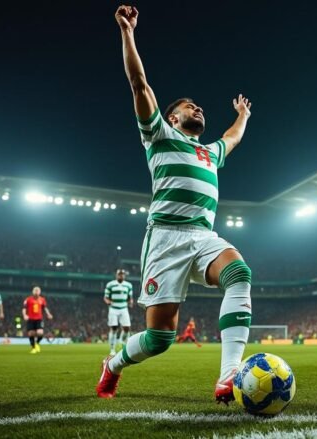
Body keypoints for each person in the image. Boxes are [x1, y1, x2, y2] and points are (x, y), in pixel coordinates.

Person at [97, 6, 254, 404]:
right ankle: (112, 365)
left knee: (239, 273)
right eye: (189, 107)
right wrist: (128, 32)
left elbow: (231, 139)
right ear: (172, 116)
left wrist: (243, 115)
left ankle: (229, 375)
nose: (197, 109)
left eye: (199, 107)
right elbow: (138, 83)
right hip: (165, 239)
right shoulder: (160, 136)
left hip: (203, 237)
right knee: (160, 338)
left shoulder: (209, 153)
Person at [104, 269, 134, 355]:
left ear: (124, 276)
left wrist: (131, 302)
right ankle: (112, 349)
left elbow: (130, 297)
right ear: (116, 275)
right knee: (114, 328)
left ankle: (122, 341)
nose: (121, 276)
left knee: (127, 328)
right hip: (113, 308)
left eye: (122, 274)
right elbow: (106, 297)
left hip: (124, 308)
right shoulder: (110, 285)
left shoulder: (128, 285)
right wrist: (108, 302)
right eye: (119, 274)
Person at [22, 286, 53, 354]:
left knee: (40, 333)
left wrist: (49, 314)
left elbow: (45, 308)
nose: (36, 292)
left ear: (40, 292)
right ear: (33, 292)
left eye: (38, 290)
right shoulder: (28, 299)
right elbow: (24, 308)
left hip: (39, 319)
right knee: (31, 333)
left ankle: (37, 343)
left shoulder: (42, 299)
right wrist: (24, 315)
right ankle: (33, 348)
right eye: (35, 290)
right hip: (30, 319)